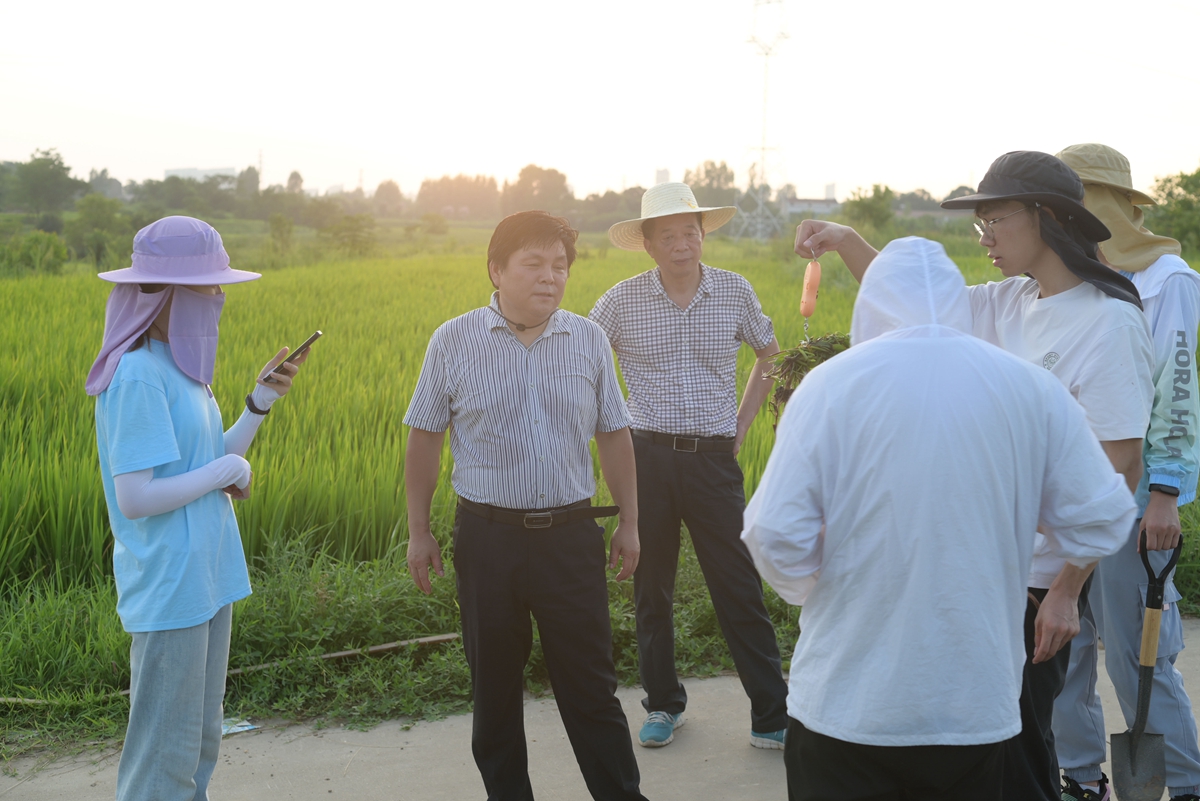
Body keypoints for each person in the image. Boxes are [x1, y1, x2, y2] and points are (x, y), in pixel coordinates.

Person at [795, 151, 1155, 801]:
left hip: (1036, 588)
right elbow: (906, 297)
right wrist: (847, 240)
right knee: (982, 755)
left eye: (996, 219)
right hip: (983, 574)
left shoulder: (1107, 322)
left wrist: (1070, 587)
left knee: (1016, 758)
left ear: (1046, 217)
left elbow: (1119, 467)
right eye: (979, 221)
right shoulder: (1011, 302)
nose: (984, 235)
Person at [403, 211, 648, 801]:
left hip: (570, 537)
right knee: (494, 693)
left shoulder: (587, 338)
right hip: (489, 540)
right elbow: (424, 436)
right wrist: (418, 530)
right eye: (534, 264)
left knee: (591, 689)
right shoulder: (453, 340)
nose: (550, 277)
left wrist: (631, 521)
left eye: (559, 266)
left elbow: (614, 433)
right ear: (496, 269)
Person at [88, 216, 310, 801]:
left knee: (200, 741)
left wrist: (258, 404)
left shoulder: (186, 373)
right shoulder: (137, 374)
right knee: (164, 753)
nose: (218, 299)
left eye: (219, 287)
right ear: (163, 295)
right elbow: (137, 497)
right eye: (208, 287)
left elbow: (215, 459)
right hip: (170, 585)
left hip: (208, 574)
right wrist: (221, 472)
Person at [589, 182, 790, 749]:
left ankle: (771, 716)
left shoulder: (733, 290)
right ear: (648, 244)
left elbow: (769, 354)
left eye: (690, 233)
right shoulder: (622, 300)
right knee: (651, 589)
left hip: (712, 461)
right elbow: (578, 354)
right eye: (669, 236)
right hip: (645, 458)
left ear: (702, 236)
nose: (682, 244)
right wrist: (609, 425)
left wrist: (744, 423)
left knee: (738, 586)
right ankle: (663, 706)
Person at [1051, 143, 1200, 801]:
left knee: (1141, 659)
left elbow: (1181, 394)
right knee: (1063, 649)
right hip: (1064, 496)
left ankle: (1188, 783)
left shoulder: (1169, 282)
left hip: (1134, 497)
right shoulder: (1068, 279)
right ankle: (1083, 776)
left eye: (1076, 198)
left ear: (1111, 203)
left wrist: (1165, 492)